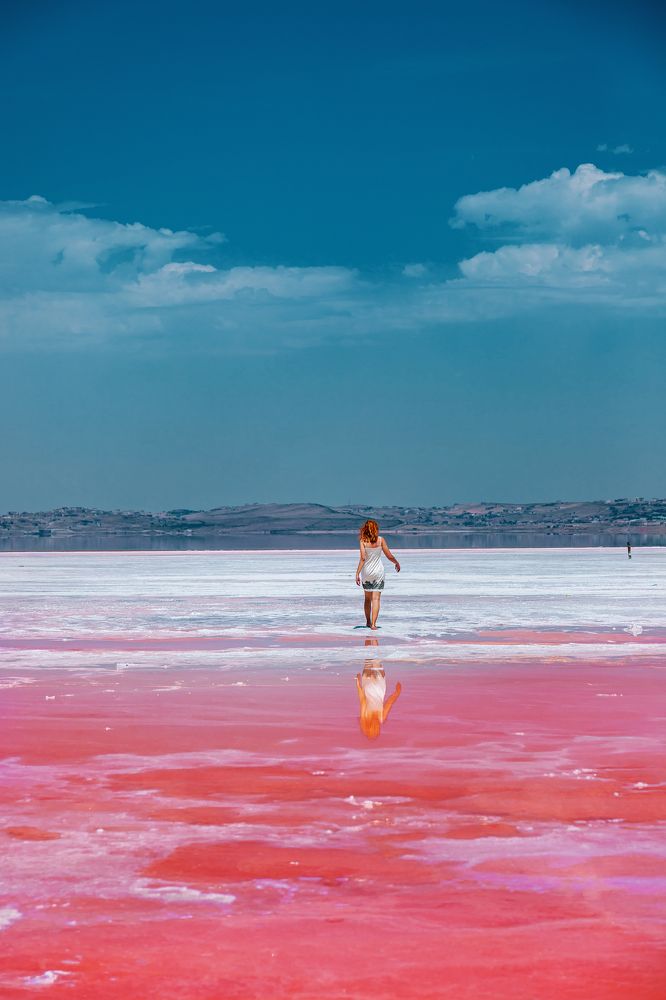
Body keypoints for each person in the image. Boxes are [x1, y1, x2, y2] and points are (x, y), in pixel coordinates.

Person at [355, 519, 400, 629]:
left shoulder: (363, 541)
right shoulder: (380, 540)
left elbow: (363, 558)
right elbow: (389, 556)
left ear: (365, 529)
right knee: (376, 599)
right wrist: (396, 563)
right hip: (378, 572)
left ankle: (368, 622)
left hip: (367, 572)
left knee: (367, 599)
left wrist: (357, 573)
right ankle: (374, 624)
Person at [355, 638, 402, 740]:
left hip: (368, 680)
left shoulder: (365, 716)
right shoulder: (381, 718)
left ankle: (369, 636)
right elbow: (389, 703)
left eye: (374, 730)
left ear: (369, 728)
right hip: (379, 681)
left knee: (369, 657)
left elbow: (362, 700)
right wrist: (396, 693)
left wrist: (358, 684)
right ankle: (373, 635)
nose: (377, 728)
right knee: (375, 657)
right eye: (377, 730)